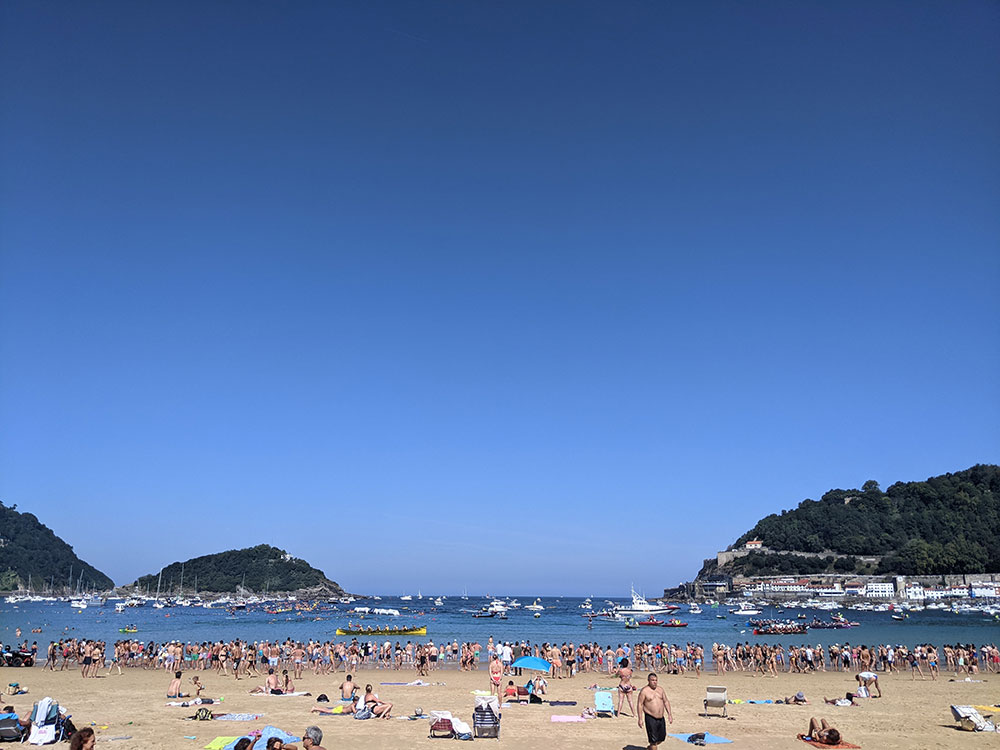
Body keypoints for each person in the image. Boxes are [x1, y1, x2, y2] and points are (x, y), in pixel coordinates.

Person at [636, 673, 672, 750]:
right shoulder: (644, 691)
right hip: (650, 717)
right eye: (652, 680)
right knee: (653, 741)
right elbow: (640, 704)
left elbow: (666, 701)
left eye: (656, 680)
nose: (654, 682)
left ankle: (650, 748)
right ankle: (652, 746)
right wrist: (640, 718)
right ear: (648, 681)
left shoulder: (660, 689)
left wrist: (669, 714)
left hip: (661, 718)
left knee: (661, 738)